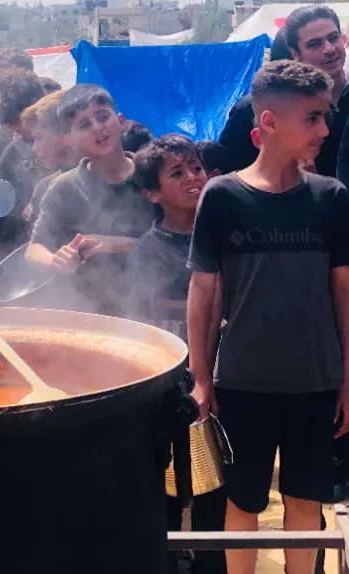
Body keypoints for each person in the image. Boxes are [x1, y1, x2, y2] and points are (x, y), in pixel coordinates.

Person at [188, 60, 349, 574]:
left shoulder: (331, 198)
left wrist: (348, 377)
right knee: (245, 501)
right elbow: (205, 291)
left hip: (316, 379)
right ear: (270, 122)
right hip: (242, 380)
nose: (325, 129)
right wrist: (199, 375)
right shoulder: (223, 196)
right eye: (314, 118)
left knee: (306, 502)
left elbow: (343, 291)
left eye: (326, 117)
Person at [128, 135, 226, 574]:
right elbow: (145, 323)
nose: (193, 178)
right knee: (171, 478)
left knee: (218, 481)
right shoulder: (148, 251)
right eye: (177, 173)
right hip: (176, 383)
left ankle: (212, 564)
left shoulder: (226, 233)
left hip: (230, 371)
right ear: (152, 193)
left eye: (196, 168)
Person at [26, 84, 155, 316]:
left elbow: (183, 246)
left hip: (154, 309)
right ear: (70, 140)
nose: (97, 128)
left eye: (103, 117)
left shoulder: (153, 174)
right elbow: (34, 249)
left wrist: (122, 244)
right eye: (84, 125)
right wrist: (56, 259)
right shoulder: (64, 188)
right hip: (90, 311)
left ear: (121, 121)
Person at [220, 6, 348, 177]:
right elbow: (231, 178)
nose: (329, 49)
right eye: (314, 44)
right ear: (296, 53)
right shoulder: (253, 109)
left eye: (333, 38)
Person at [0, 66, 44, 265]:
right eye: (9, 126)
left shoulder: (64, 139)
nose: (14, 131)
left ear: (34, 106)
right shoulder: (15, 148)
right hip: (18, 241)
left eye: (16, 123)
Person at [20, 90, 79, 229]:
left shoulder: (47, 189)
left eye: (39, 137)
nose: (34, 148)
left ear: (64, 133)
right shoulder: (44, 188)